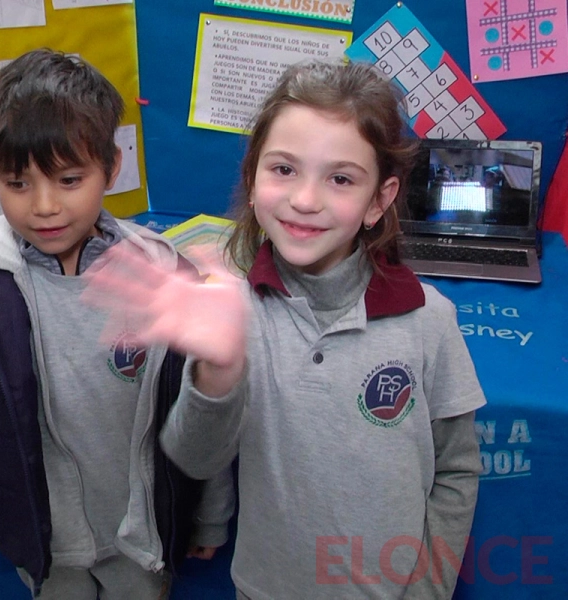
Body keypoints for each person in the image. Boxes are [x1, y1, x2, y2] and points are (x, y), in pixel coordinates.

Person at [83, 60, 486, 600]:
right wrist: (219, 370)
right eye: (284, 169)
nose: (305, 200)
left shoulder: (428, 320)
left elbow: (456, 471)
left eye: (340, 178)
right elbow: (198, 459)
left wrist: (427, 589)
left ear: (379, 200)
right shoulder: (231, 310)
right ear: (252, 179)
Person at [0, 48, 234, 599]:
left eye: (69, 179)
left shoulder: (162, 274)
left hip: (146, 539)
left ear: (112, 166)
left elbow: (198, 405)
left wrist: (210, 514)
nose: (45, 206)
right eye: (19, 183)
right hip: (46, 545)